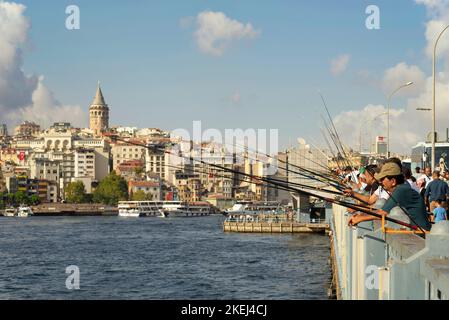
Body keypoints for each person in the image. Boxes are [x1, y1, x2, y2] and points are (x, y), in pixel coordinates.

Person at [348, 162, 431, 231]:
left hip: (421, 233)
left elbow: (382, 213)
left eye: (383, 179)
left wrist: (360, 218)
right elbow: (381, 210)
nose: (380, 182)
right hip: (416, 231)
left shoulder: (401, 190)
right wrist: (361, 216)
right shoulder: (401, 188)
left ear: (393, 181)